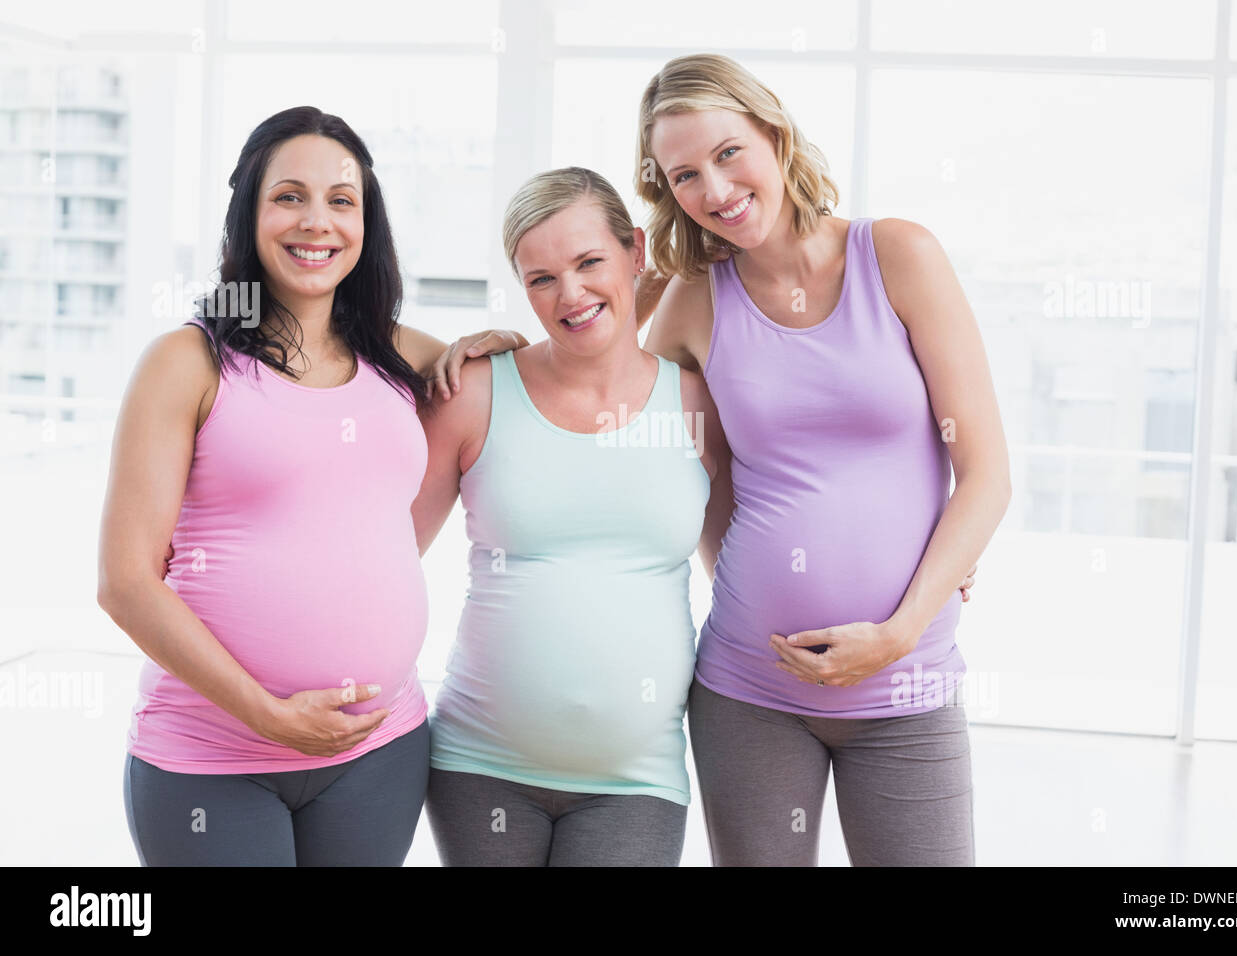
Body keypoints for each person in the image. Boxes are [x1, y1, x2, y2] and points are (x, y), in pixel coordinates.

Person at [442, 53, 1006, 866]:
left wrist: (903, 623)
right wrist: (495, 352)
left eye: (728, 153)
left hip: (907, 678)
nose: (714, 189)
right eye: (684, 175)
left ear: (773, 134)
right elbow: (597, 363)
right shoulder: (697, 299)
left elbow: (986, 472)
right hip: (748, 686)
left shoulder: (900, 256)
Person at [98, 105, 522, 866]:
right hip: (212, 758)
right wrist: (267, 714)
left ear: (366, 222)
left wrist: (495, 344)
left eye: (341, 200)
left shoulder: (398, 354)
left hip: (379, 751)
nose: (316, 221)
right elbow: (125, 583)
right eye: (289, 196)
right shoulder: (186, 363)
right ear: (250, 215)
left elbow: (527, 387)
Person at [416, 166, 730, 866]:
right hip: (478, 767)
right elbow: (388, 553)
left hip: (636, 779)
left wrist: (919, 562)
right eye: (541, 278)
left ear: (636, 255)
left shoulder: (697, 403)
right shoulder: (473, 391)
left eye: (590, 262)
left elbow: (748, 564)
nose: (572, 294)